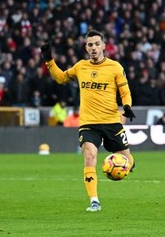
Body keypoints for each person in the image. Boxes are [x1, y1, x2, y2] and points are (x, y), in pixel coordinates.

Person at [41, 29, 136, 212]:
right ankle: (94, 201)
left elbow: (124, 90)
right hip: (88, 124)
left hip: (111, 122)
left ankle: (127, 164)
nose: (93, 48)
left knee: (127, 159)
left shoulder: (115, 67)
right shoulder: (80, 67)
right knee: (89, 156)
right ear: (86, 47)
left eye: (96, 44)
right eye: (90, 45)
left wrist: (127, 106)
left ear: (103, 46)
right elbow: (61, 78)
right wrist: (49, 60)